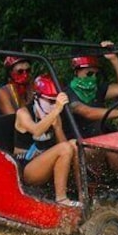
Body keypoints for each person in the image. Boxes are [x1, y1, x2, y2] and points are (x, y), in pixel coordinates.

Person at [65, 40, 118, 174]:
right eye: (89, 74)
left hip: (104, 136)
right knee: (111, 151)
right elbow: (88, 112)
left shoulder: (96, 89)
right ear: (76, 72)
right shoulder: (68, 94)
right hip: (84, 144)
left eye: (96, 74)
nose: (93, 78)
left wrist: (114, 59)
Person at [14, 73, 80, 207]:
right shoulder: (23, 113)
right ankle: (61, 199)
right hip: (26, 168)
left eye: (55, 101)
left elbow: (65, 145)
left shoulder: (55, 114)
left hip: (45, 162)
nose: (53, 105)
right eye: (50, 101)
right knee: (66, 147)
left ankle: (82, 194)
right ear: (36, 97)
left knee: (74, 144)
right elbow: (37, 130)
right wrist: (56, 110)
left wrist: (57, 127)